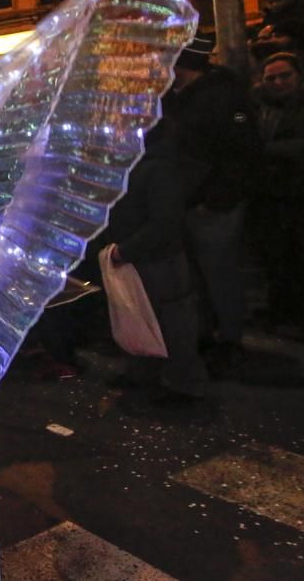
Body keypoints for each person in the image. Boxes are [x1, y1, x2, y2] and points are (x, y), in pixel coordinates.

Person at [167, 32, 258, 368]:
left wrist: (218, 200)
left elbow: (240, 154)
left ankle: (230, 338)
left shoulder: (220, 98)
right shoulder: (181, 98)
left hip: (212, 205)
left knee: (219, 272)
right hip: (188, 203)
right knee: (196, 275)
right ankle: (207, 332)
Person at [106, 125, 209, 410]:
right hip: (137, 255)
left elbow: (165, 222)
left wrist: (127, 248)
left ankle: (183, 384)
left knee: (173, 322)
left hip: (159, 258)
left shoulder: (161, 168)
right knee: (140, 316)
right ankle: (145, 375)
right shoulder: (134, 164)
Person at [252, 52, 304, 332]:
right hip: (270, 197)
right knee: (276, 257)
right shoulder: (257, 107)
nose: (278, 82)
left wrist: (267, 151)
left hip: (300, 195)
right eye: (271, 77)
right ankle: (283, 311)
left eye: (285, 76)